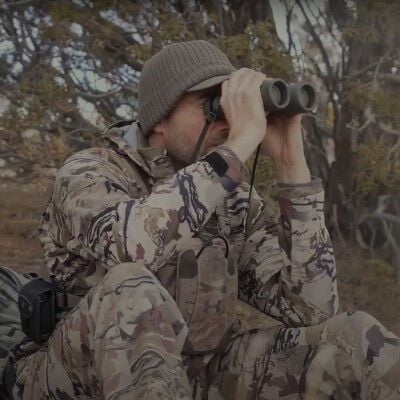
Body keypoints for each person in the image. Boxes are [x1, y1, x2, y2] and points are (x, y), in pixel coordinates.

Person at [1, 40, 400, 400]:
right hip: (78, 375)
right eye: (212, 104)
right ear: (158, 119)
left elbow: (312, 310)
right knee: (131, 285)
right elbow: (135, 245)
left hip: (199, 375)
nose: (228, 121)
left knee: (354, 340)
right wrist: (238, 145)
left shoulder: (232, 198)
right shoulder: (89, 173)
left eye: (231, 104)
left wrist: (290, 161)